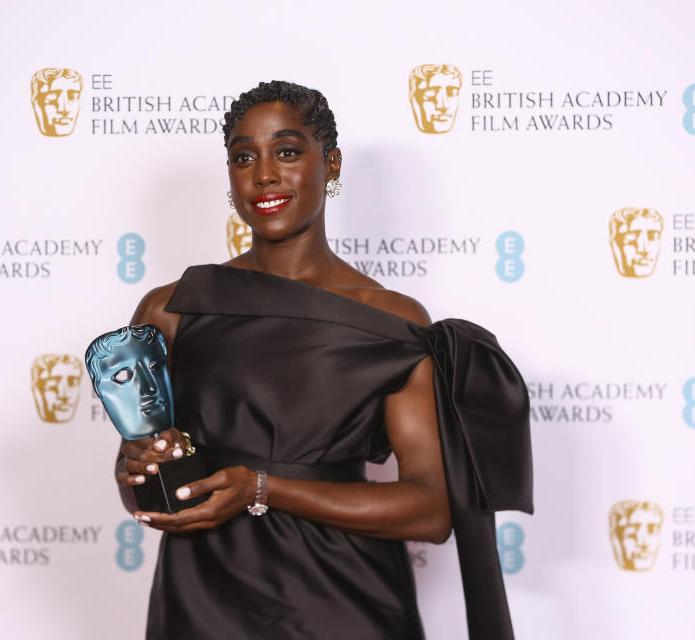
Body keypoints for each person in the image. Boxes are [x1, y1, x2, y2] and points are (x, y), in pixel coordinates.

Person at [114, 81, 532, 639]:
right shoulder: (170, 309)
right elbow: (135, 477)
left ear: (330, 164)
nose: (263, 175)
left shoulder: (394, 320)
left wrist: (262, 487)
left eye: (287, 152)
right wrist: (139, 473)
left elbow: (431, 511)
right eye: (244, 157)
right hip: (204, 603)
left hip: (346, 606)